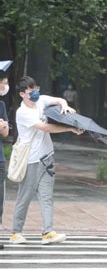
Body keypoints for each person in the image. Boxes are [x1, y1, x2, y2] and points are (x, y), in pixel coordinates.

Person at [9, 76, 83, 245]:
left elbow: (59, 100)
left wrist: (65, 106)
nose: (35, 92)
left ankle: (48, 232)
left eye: (36, 88)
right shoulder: (23, 113)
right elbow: (45, 127)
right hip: (31, 160)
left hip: (47, 157)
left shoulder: (41, 100)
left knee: (46, 197)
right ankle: (16, 232)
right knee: (25, 196)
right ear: (22, 94)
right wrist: (70, 128)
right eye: (31, 90)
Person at [0, 70, 10, 250]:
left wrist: (2, 126)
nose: (5, 86)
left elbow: (6, 133)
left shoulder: (1, 105)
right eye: (3, 82)